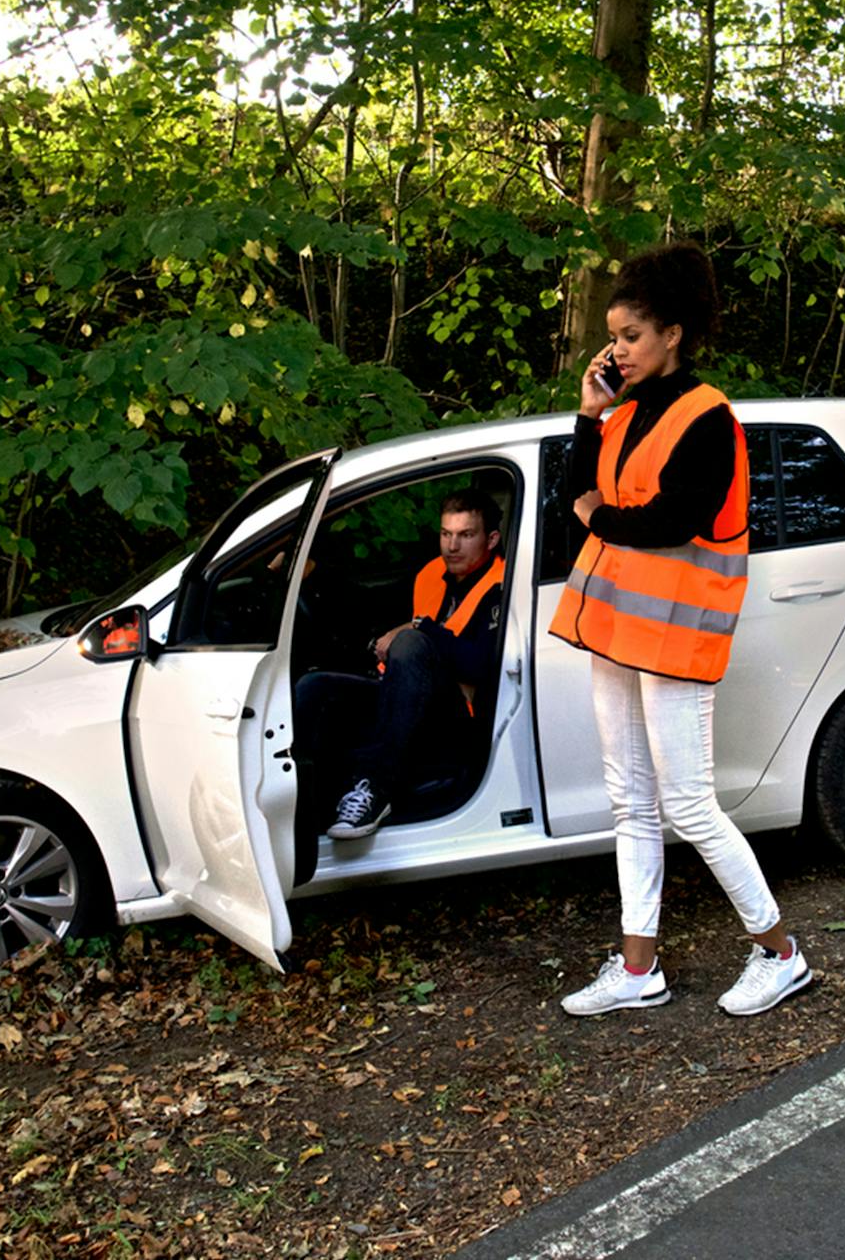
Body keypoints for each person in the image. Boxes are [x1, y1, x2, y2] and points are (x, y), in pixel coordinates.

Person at [548, 242, 810, 1018]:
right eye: (613, 336)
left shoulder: (707, 415)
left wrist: (596, 511)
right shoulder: (621, 412)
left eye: (629, 334)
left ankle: (782, 953)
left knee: (690, 806)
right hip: (620, 637)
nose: (617, 349)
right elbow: (572, 483)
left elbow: (669, 521)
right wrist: (587, 415)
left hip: (674, 644)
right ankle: (639, 968)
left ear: (673, 333)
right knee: (630, 801)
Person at [299, 489, 507, 840]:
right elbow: (367, 601)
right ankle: (299, 805)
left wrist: (419, 628)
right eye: (446, 534)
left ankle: (375, 789)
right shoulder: (433, 573)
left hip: (457, 718)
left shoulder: (501, 586)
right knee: (316, 687)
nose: (452, 546)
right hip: (405, 697)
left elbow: (479, 666)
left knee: (411, 643)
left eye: (466, 535)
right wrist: (313, 573)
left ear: (491, 539)